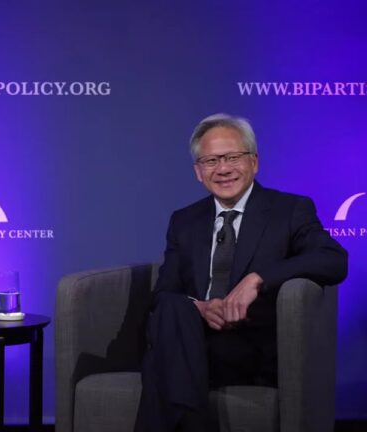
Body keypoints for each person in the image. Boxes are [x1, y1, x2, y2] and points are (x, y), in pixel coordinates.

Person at [134, 113, 348, 432]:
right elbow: (164, 293)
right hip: (193, 340)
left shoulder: (289, 210)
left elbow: (333, 260)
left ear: (254, 162)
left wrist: (258, 279)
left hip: (251, 347)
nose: (223, 169)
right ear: (198, 171)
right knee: (171, 309)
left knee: (159, 360)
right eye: (211, 161)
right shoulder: (185, 220)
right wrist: (200, 308)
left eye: (233, 157)